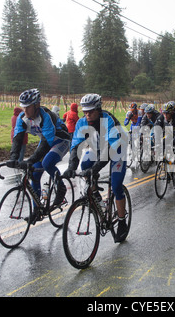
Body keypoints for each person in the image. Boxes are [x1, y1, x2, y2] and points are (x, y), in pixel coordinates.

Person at [62, 94, 129, 242]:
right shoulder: (81, 123)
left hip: (117, 148)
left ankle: (122, 220)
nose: (87, 114)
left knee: (116, 185)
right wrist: (71, 167)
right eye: (85, 111)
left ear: (98, 109)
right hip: (98, 149)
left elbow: (109, 152)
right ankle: (96, 195)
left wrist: (95, 169)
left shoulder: (108, 120)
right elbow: (76, 147)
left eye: (91, 111)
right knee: (85, 164)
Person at [8, 89, 71, 221]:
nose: (24, 111)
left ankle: (61, 187)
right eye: (23, 107)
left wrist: (30, 160)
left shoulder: (46, 116)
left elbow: (46, 144)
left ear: (36, 105)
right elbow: (18, 138)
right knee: (34, 175)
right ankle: (37, 210)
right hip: (46, 140)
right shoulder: (22, 118)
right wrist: (13, 157)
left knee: (47, 163)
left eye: (28, 107)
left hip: (60, 140)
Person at [154, 101, 175, 189]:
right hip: (168, 132)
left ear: (171, 113)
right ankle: (167, 171)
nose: (165, 115)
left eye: (167, 114)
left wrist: (172, 144)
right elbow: (157, 128)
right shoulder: (161, 117)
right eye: (164, 113)